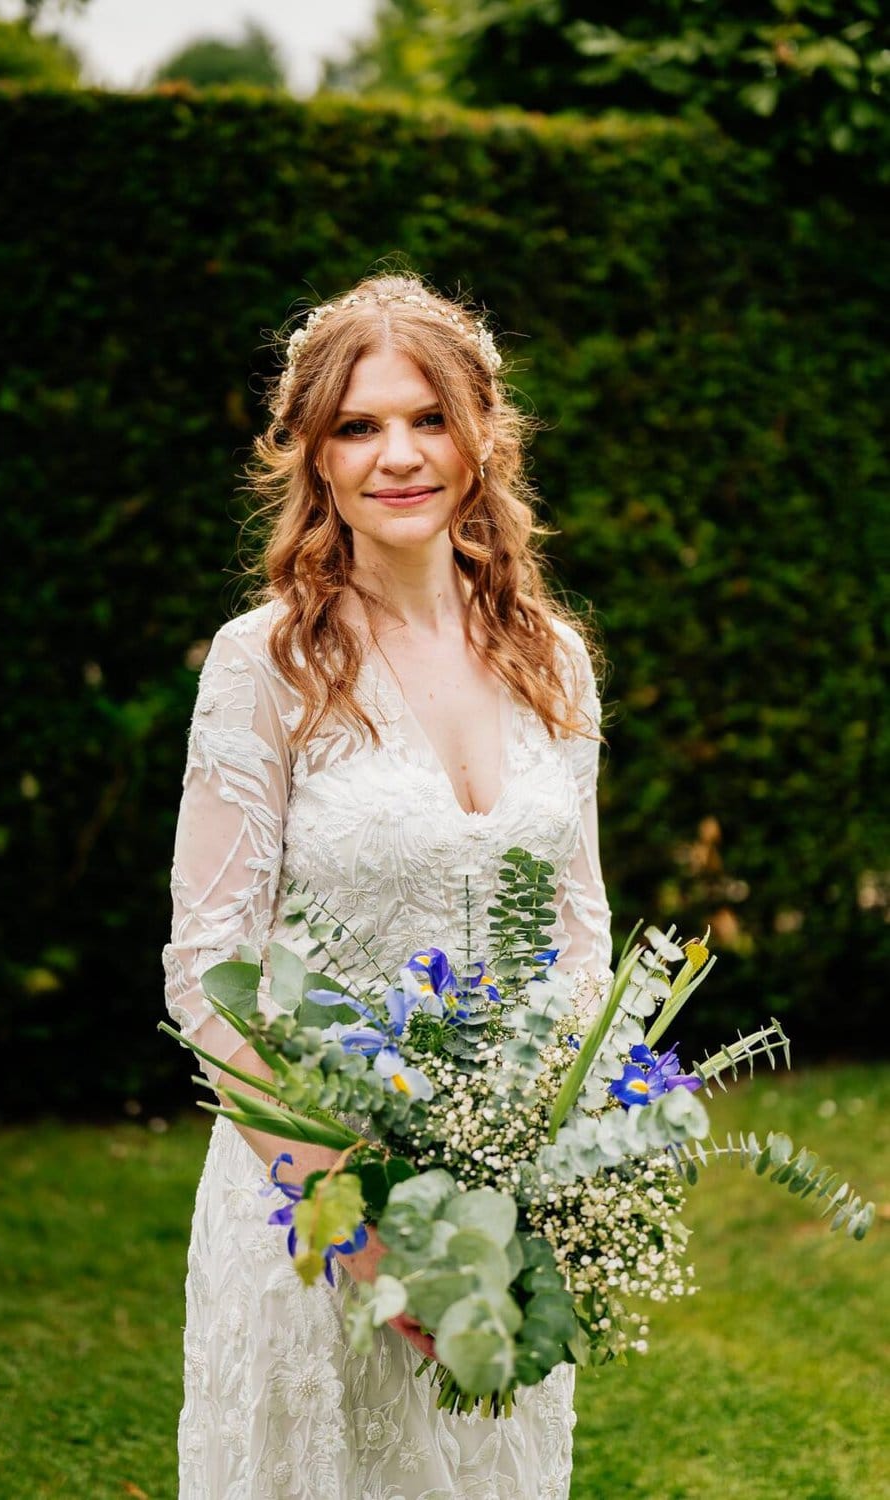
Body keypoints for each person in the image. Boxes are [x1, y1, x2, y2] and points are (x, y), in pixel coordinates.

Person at [162, 271, 613, 1498]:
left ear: (481, 438)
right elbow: (208, 978)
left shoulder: (550, 660)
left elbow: (579, 937)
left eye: (427, 419)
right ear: (311, 453)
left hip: (499, 1222)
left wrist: (550, 1176)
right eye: (357, 426)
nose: (398, 456)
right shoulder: (265, 664)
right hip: (308, 1216)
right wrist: (365, 1233)